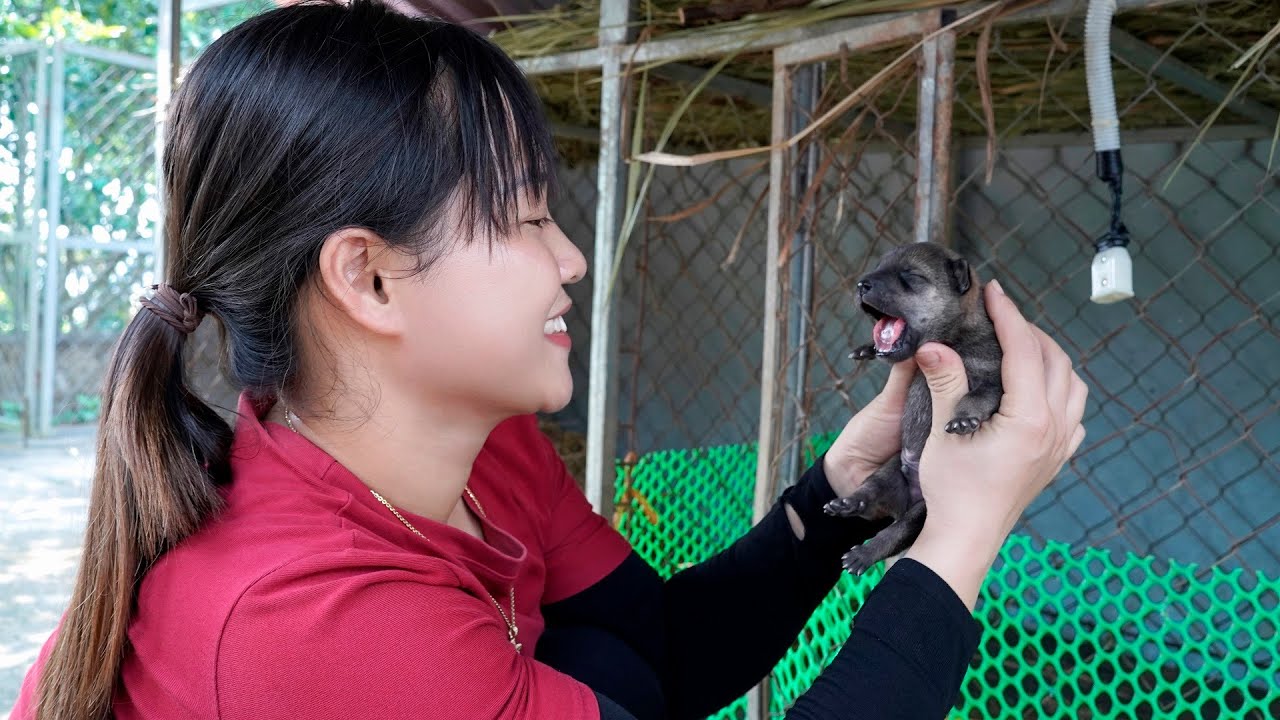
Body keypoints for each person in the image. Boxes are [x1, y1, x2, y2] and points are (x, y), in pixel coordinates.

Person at [9, 1, 1088, 719]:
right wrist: (957, 538)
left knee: (607, 668)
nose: (569, 258)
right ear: (368, 277)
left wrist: (840, 497)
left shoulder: (476, 451)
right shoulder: (312, 624)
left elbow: (662, 653)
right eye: (524, 218)